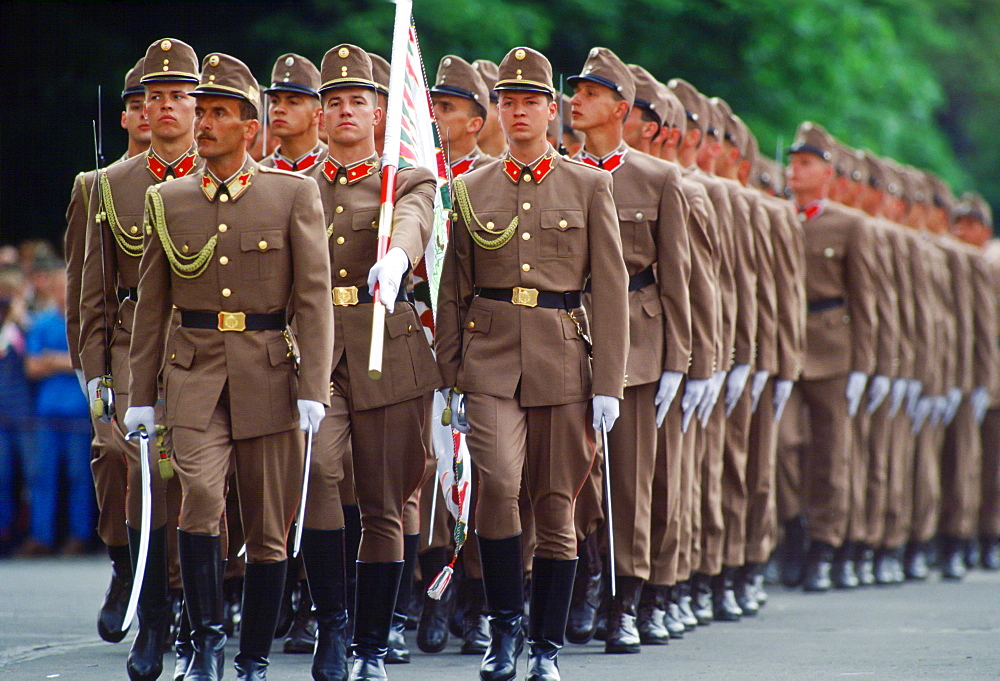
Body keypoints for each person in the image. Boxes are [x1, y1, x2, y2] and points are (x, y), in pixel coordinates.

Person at [125, 51, 333, 681]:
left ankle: (253, 656)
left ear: (252, 126)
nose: (206, 122)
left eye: (221, 113)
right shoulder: (168, 199)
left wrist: (314, 386)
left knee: (270, 528)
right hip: (192, 375)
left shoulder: (292, 194)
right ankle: (207, 641)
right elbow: (151, 304)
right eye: (203, 110)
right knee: (200, 499)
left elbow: (313, 299)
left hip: (269, 372)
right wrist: (140, 393)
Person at [436, 46, 629, 681]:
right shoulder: (469, 187)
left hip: (564, 360)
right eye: (508, 102)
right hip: (489, 359)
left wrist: (609, 383)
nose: (518, 112)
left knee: (554, 504)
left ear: (552, 111)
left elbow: (610, 287)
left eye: (531, 102)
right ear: (497, 110)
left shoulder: (589, 183)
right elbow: (453, 287)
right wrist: (449, 378)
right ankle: (504, 627)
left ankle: (544, 643)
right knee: (497, 484)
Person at [302, 43, 440, 681]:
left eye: (359, 101)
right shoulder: (295, 186)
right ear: (320, 117)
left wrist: (399, 258)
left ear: (380, 114)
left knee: (384, 503)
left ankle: (370, 643)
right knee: (322, 478)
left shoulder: (405, 179)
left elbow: (415, 219)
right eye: (334, 103)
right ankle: (332, 624)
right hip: (315, 353)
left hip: (388, 349)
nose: (346, 111)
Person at [79, 37, 201, 680]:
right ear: (141, 110)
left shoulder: (226, 181)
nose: (166, 109)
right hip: (132, 353)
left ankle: (189, 604)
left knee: (198, 484)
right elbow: (91, 294)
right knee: (141, 472)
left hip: (207, 348)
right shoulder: (103, 186)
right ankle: (151, 615)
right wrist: (95, 380)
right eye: (155, 98)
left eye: (180, 96)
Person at [567, 47, 691, 653]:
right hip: (571, 333)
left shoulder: (657, 178)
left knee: (631, 478)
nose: (575, 102)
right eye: (575, 92)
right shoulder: (559, 172)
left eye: (589, 94)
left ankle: (626, 598)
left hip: (639, 341)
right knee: (574, 476)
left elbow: (678, 275)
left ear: (621, 108)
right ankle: (587, 575)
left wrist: (678, 360)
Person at [64, 56, 150, 643]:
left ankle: (194, 587)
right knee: (116, 457)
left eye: (168, 99)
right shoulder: (97, 186)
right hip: (122, 336)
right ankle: (125, 566)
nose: (154, 113)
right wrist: (87, 368)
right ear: (124, 117)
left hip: (191, 341)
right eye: (141, 103)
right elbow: (82, 288)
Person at [779, 122, 877, 592]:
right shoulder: (776, 215)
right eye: (792, 163)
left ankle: (822, 546)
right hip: (785, 345)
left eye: (805, 164)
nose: (794, 172)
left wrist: (863, 365)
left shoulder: (848, 224)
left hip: (832, 349)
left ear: (827, 172)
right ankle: (793, 529)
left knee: (830, 453)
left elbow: (864, 300)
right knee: (783, 446)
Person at [22, 259, 93, 555]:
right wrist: (68, 361)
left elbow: (89, 362)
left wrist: (54, 360)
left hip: (79, 415)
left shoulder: (86, 323)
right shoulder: (42, 323)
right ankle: (42, 536)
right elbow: (31, 367)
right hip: (48, 415)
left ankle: (81, 535)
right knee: (42, 476)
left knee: (81, 477)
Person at [0, 264, 33, 557]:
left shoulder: (26, 325)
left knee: (32, 475)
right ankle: (4, 532)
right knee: (3, 475)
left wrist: (19, 317)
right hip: (2, 413)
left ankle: (33, 534)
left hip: (23, 411)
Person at [261, 54, 326, 172]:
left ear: (317, 115)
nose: (278, 109)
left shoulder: (338, 167)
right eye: (274, 101)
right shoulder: (258, 173)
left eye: (293, 102)